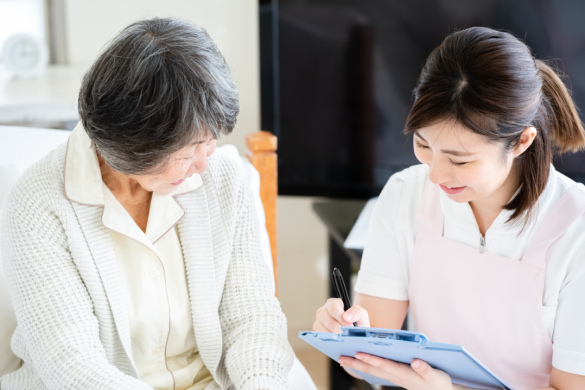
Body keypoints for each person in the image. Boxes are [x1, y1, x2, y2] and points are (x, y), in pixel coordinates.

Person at [1, 17, 293, 389]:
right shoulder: (38, 205)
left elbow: (251, 316)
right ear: (132, 147)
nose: (204, 163)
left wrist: (260, 384)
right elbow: (71, 363)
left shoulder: (222, 178)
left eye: (210, 141)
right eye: (188, 152)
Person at [314, 26, 585, 389]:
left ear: (522, 141)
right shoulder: (404, 194)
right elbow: (367, 360)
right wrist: (345, 335)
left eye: (459, 160)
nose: (436, 175)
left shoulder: (576, 230)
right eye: (424, 146)